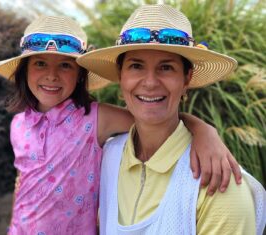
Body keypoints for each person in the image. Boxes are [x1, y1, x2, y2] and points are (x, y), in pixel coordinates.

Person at [0, 15, 242, 235]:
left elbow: (152, 117)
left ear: (80, 75)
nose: (52, 75)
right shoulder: (18, 125)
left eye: (65, 65)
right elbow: (23, 181)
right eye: (39, 63)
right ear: (24, 71)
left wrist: (204, 130)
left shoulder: (94, 118)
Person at [77, 4, 266, 235]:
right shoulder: (105, 157)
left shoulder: (218, 183)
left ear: (187, 79)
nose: (150, 82)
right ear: (121, 76)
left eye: (166, 67)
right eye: (136, 66)